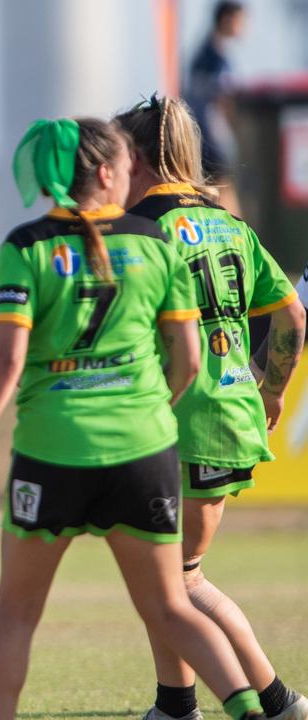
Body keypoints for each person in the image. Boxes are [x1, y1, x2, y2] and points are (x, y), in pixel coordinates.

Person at [0, 116, 270, 720]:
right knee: (171, 606)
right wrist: (151, 409)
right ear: (104, 171)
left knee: (15, 615)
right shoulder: (153, 241)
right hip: (143, 448)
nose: (130, 175)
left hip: (52, 450)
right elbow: (189, 356)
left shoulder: (27, 245)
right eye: (125, 165)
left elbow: (8, 359)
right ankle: (251, 709)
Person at [115, 95, 307, 720]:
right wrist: (271, 385)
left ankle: (273, 700)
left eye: (116, 159)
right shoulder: (231, 224)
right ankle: (176, 704)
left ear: (137, 160)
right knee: (168, 576)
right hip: (231, 415)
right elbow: (291, 315)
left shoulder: (139, 233)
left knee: (176, 582)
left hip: (174, 420)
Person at [185, 1, 245, 212]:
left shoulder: (205, 53)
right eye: (240, 20)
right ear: (227, 19)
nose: (244, 27)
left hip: (201, 138)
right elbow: (222, 101)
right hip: (210, 140)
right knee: (223, 195)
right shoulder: (214, 58)